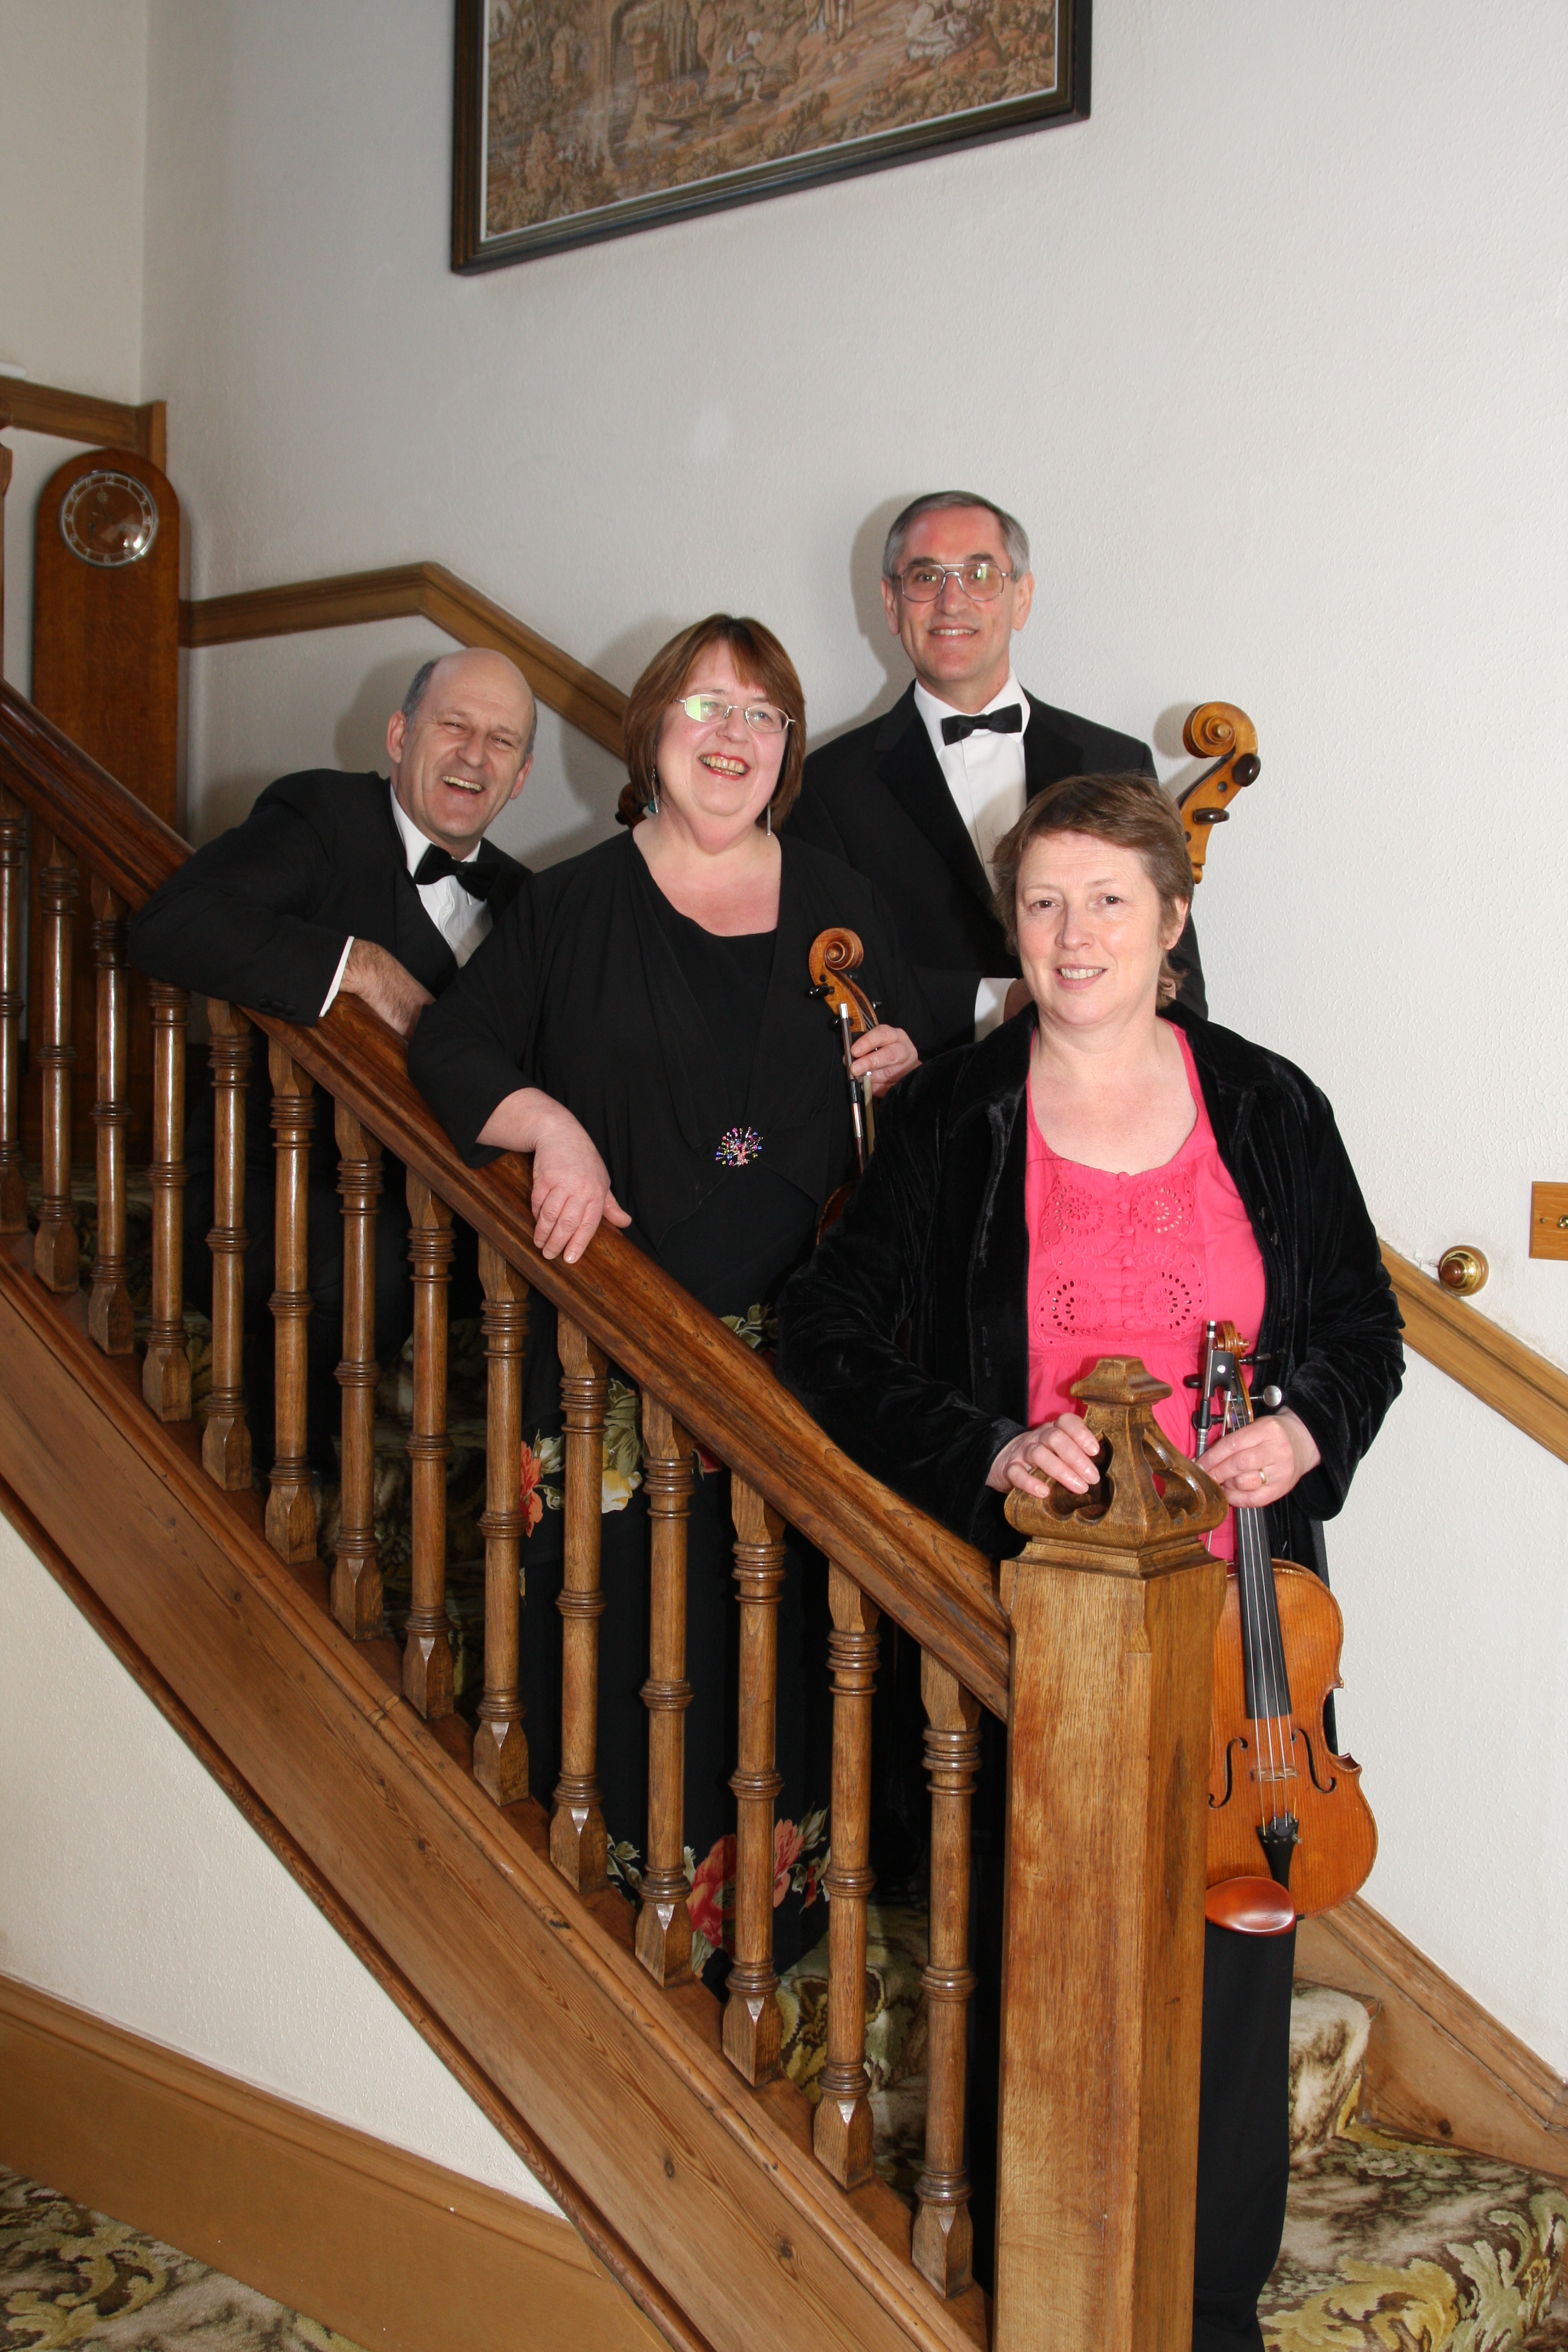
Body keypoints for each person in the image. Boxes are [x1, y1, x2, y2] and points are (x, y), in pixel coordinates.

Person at [776, 773, 1403, 2348]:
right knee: (1041, 1964)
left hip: (1248, 1618)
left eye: (1109, 900)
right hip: (1036, 1611)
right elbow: (830, 1338)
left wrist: (1304, 1428)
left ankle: (1209, 2314)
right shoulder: (952, 1116)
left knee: (1234, 1977)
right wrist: (990, 1447)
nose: (1074, 933)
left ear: (1172, 923)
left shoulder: (1270, 1105)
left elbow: (1362, 1330)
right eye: (1043, 900)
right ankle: (1045, 2292)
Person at [410, 614, 936, 1972]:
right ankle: (597, 1930)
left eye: (761, 714)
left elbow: (903, 1121)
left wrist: (902, 1067)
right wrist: (550, 1127)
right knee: (618, 1638)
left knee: (783, 1655)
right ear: (651, 731)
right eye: (705, 706)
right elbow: (454, 1045)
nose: (731, 735)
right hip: (614, 1350)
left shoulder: (843, 900)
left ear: (787, 748)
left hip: (797, 1364)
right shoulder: (572, 904)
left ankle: (765, 1936)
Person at [128, 647, 537, 1467]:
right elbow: (173, 925)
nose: (474, 756)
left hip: (436, 1214)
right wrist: (362, 966)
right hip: (255, 1199)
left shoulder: (529, 898)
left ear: (521, 778)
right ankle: (289, 1479)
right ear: (399, 735)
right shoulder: (322, 815)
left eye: (502, 741)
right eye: (454, 726)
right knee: (364, 1257)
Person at [789, 489, 1207, 1053]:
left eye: (979, 575)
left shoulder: (1116, 762)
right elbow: (822, 980)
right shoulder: (826, 787)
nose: (951, 602)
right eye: (926, 577)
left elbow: (1177, 981)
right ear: (891, 604)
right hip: (927, 1095)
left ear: (1022, 599)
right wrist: (1001, 1001)